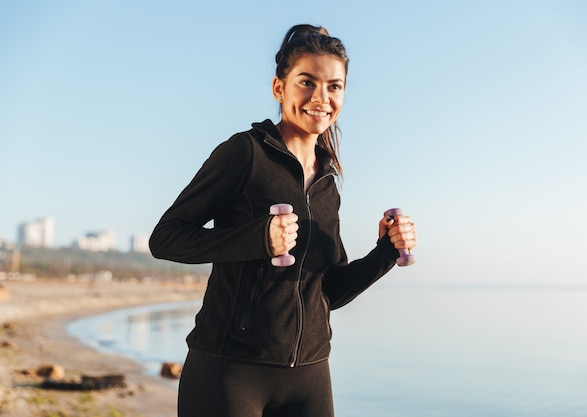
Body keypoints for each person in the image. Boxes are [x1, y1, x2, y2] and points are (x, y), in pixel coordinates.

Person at [149, 24, 417, 417]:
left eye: (334, 86)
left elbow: (328, 292)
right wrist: (257, 239)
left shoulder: (328, 182)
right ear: (279, 88)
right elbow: (166, 238)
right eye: (307, 82)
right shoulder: (245, 153)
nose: (321, 98)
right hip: (230, 372)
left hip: (309, 376)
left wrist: (385, 253)